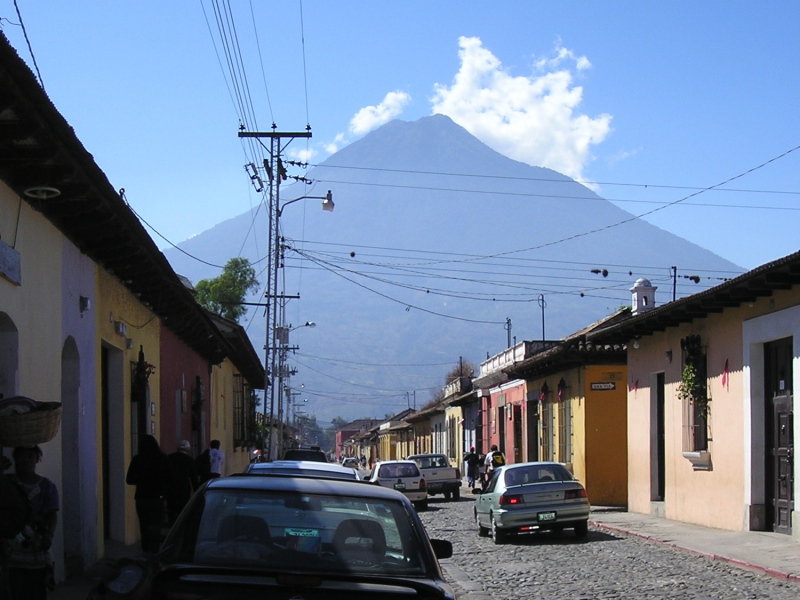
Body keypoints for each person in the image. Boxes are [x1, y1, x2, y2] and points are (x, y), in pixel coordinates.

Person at [6, 446, 59, 600]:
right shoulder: (7, 483)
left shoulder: (47, 486)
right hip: (11, 544)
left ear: (37, 459)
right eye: (22, 457)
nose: (26, 461)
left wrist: (49, 535)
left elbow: (52, 514)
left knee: (36, 586)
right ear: (15, 459)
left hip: (37, 544)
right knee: (13, 585)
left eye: (30, 456)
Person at [126, 435, 171, 553]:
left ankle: (145, 552)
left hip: (142, 498)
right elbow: (169, 478)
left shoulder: (137, 459)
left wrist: (141, 479)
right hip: (158, 497)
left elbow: (129, 480)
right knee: (156, 527)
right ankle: (154, 553)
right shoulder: (162, 458)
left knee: (144, 527)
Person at [166, 440, 199, 524]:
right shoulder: (190, 460)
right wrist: (197, 491)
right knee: (183, 509)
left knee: (171, 509)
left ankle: (172, 526)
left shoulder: (170, 458)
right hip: (184, 489)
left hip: (171, 488)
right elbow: (194, 478)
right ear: (188, 449)